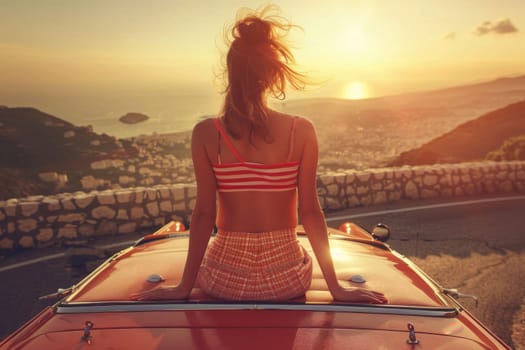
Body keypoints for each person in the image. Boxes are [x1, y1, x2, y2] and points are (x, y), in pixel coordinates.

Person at [132, 5, 386, 303]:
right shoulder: (300, 131)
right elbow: (310, 213)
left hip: (223, 278)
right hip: (286, 279)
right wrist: (337, 289)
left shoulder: (206, 134)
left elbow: (203, 215)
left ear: (230, 73)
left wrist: (183, 288)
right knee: (298, 253)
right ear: (272, 74)